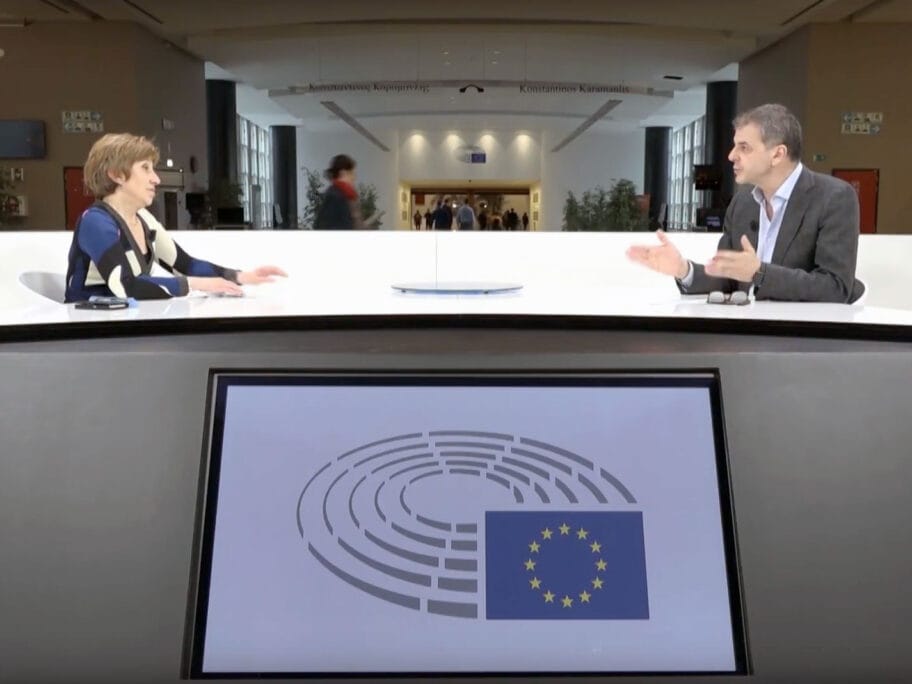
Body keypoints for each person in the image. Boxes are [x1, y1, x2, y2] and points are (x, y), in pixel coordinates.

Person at [626, 103, 864, 303]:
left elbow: (835, 287)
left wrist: (759, 273)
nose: (731, 156)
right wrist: (683, 269)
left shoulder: (834, 197)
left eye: (744, 148)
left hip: (801, 337)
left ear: (777, 154)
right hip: (745, 333)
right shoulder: (742, 202)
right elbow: (728, 279)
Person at [64, 133, 286, 303]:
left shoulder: (143, 218)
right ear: (116, 175)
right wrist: (196, 285)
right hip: (84, 332)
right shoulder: (95, 221)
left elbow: (185, 265)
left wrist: (241, 276)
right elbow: (125, 285)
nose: (156, 179)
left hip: (126, 324)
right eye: (145, 168)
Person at [314, 154, 382, 230]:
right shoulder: (335, 196)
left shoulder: (347, 195)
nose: (354, 177)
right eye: (352, 173)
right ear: (343, 173)